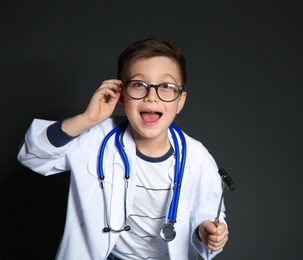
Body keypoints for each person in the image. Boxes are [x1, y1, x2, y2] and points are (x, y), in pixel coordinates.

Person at [17, 38, 229, 259]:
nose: (151, 96)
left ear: (180, 100)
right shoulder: (96, 138)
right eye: (139, 85)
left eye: (166, 87)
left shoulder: (198, 158)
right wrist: (87, 119)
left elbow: (208, 210)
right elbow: (33, 155)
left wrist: (208, 230)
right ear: (121, 96)